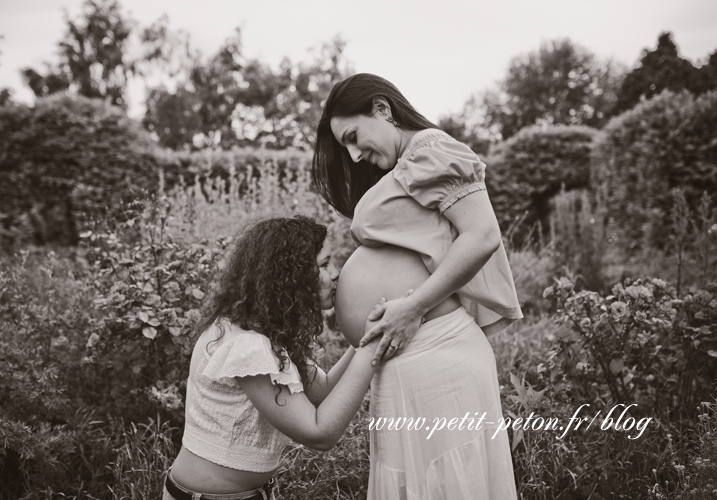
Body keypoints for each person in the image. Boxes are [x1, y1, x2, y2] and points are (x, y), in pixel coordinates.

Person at [312, 73, 523, 499]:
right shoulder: (408, 164)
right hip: (409, 356)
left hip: (436, 351)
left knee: (447, 483)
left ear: (382, 109)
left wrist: (411, 308)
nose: (352, 155)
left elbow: (482, 235)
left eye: (353, 136)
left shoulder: (432, 150)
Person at [164, 216, 387, 500]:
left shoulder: (257, 330)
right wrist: (373, 346)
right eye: (323, 265)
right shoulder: (248, 347)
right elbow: (320, 434)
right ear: (290, 276)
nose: (336, 273)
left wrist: (365, 337)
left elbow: (323, 390)